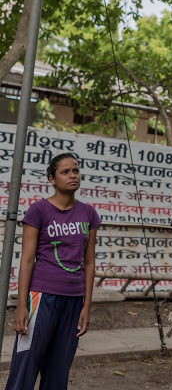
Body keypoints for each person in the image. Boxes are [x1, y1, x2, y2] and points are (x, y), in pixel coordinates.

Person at [5, 153, 102, 390]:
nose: (72, 175)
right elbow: (27, 260)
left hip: (73, 300)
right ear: (52, 179)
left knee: (58, 371)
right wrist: (21, 306)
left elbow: (89, 262)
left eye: (76, 171)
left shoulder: (88, 214)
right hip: (41, 297)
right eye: (65, 172)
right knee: (25, 365)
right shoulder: (38, 211)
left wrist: (86, 306)